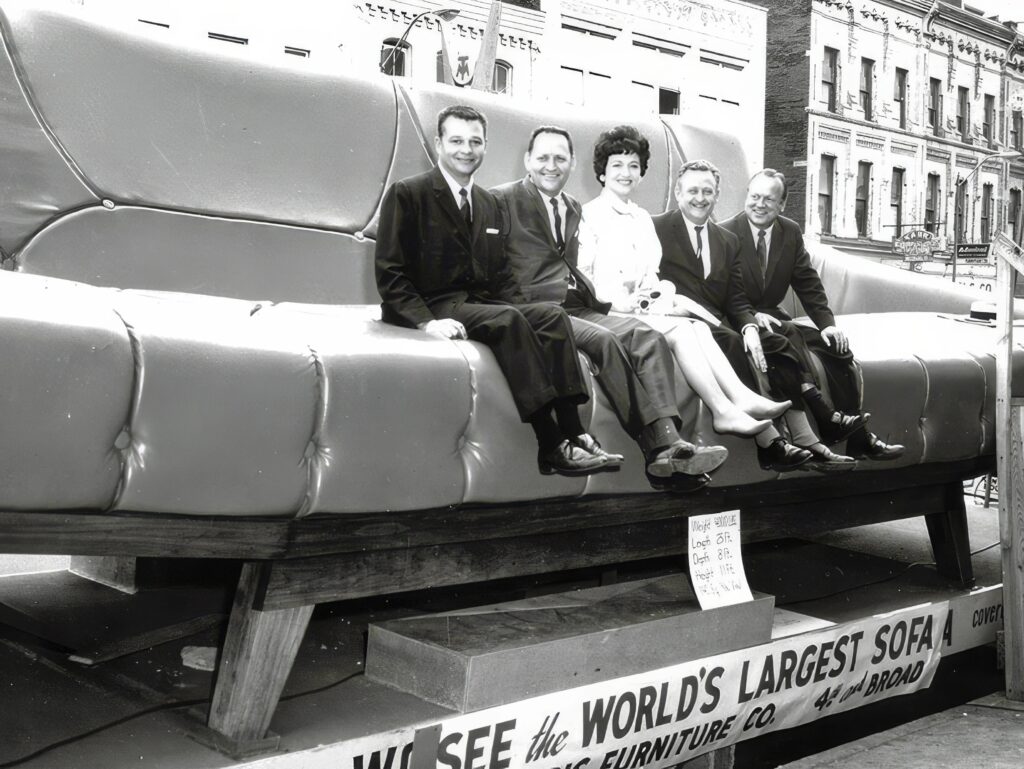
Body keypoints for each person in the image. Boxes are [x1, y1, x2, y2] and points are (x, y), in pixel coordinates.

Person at [375, 105, 613, 477]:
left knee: (550, 315)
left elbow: (498, 275)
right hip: (432, 305)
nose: (466, 150)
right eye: (456, 141)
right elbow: (390, 274)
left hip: (476, 303)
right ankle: (550, 443)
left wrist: (525, 306)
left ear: (485, 146)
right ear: (438, 143)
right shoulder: (408, 193)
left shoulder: (488, 202)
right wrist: (426, 323)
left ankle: (575, 431)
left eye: (475, 142)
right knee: (507, 319)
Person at [490, 125, 729, 491]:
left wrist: (609, 301)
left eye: (560, 158)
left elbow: (573, 270)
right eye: (543, 158)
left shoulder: (570, 207)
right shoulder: (501, 199)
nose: (551, 166)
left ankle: (670, 443)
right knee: (606, 342)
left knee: (646, 335)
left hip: (576, 305)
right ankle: (661, 451)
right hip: (533, 312)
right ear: (528, 160)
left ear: (572, 163)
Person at [576, 125, 810, 473]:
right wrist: (625, 302)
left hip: (643, 307)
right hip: (609, 309)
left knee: (694, 327)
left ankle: (737, 402)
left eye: (633, 166)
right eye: (617, 166)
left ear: (641, 172)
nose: (626, 173)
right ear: (601, 172)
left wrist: (662, 295)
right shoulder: (588, 214)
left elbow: (652, 276)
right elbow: (584, 277)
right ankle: (725, 409)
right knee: (687, 330)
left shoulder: (641, 218)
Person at [654, 159, 869, 472]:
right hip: (677, 321)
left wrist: (750, 327)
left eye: (707, 191)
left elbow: (735, 297)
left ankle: (804, 437)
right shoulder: (656, 227)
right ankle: (773, 441)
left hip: (718, 320)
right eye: (692, 190)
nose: (700, 198)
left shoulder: (726, 240)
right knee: (733, 343)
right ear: (678, 192)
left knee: (777, 341)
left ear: (717, 196)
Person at [719, 168, 905, 461]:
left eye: (769, 199)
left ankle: (857, 437)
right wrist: (752, 316)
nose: (760, 204)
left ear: (781, 205)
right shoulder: (725, 233)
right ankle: (824, 416)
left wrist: (828, 325)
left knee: (836, 348)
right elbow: (724, 291)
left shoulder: (789, 231)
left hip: (773, 316)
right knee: (788, 336)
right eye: (754, 196)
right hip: (737, 318)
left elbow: (807, 282)